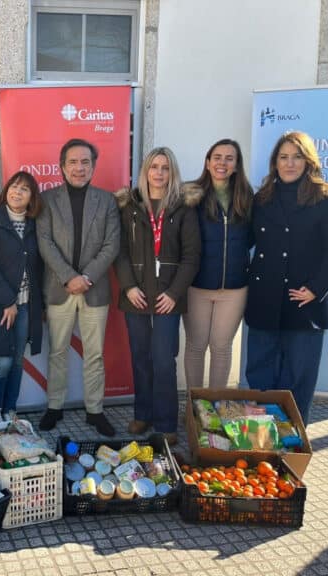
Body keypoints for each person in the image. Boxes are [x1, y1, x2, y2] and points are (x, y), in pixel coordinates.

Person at [245, 131, 328, 425]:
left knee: (298, 378)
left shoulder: (325, 197)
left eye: (296, 157)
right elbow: (244, 241)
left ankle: (292, 441)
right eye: (283, 157)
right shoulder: (262, 198)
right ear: (275, 162)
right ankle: (263, 438)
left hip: (304, 305)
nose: (289, 164)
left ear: (308, 161)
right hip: (264, 300)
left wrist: (315, 289)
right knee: (262, 376)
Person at [114, 147, 201, 445]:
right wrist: (128, 286)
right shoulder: (130, 206)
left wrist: (174, 293)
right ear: (146, 171)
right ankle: (143, 414)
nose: (159, 173)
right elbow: (121, 251)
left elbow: (192, 257)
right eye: (154, 167)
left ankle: (166, 423)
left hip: (168, 297)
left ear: (172, 172)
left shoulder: (183, 207)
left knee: (164, 359)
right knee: (140, 357)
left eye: (165, 167)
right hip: (135, 295)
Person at [36, 138, 120, 437]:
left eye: (85, 162)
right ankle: (54, 406)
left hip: (94, 290)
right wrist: (69, 277)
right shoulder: (46, 200)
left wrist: (86, 278)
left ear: (93, 166)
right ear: (62, 166)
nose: (79, 167)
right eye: (73, 162)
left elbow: (112, 245)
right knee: (57, 351)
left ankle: (95, 411)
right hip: (59, 288)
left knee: (94, 354)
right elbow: (44, 242)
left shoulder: (107, 200)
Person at [183, 139, 254, 389]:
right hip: (196, 286)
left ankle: (216, 406)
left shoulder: (247, 197)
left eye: (229, 158)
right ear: (207, 162)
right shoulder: (190, 195)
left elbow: (252, 238)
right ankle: (195, 408)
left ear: (236, 165)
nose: (222, 163)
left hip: (234, 288)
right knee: (195, 346)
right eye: (217, 157)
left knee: (222, 347)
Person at [0, 171, 43, 423]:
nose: (17, 192)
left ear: (31, 197)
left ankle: (9, 410)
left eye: (24, 189)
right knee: (2, 361)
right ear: (6, 190)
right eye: (14, 187)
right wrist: (7, 301)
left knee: (16, 361)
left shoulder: (36, 224)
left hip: (26, 305)